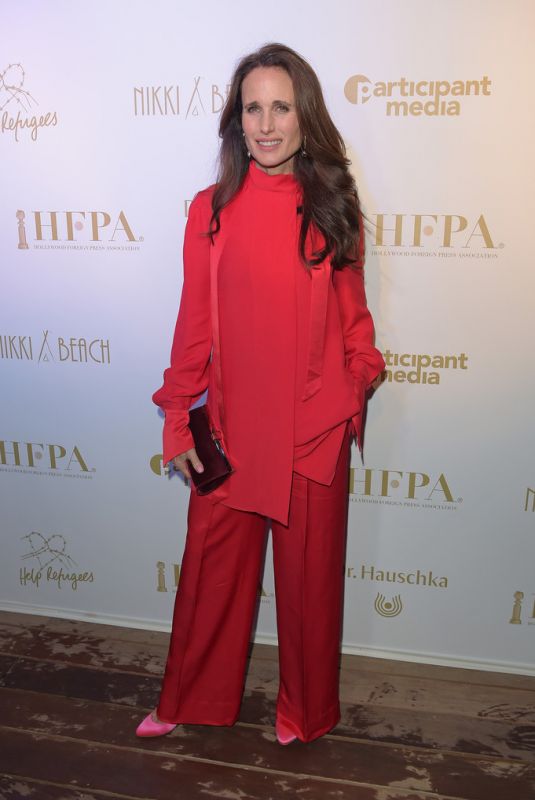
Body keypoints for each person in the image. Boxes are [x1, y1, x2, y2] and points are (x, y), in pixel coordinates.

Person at [136, 42, 385, 745]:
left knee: (310, 593)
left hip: (311, 430)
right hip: (231, 430)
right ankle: (186, 699)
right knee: (209, 583)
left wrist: (353, 383)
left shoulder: (334, 205)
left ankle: (305, 714)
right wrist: (177, 421)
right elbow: (193, 327)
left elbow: (355, 319)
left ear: (305, 118)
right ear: (235, 120)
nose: (267, 124)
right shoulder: (207, 212)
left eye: (281, 107)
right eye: (253, 108)